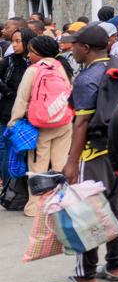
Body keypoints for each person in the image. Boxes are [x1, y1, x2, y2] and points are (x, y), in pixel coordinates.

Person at [46, 25, 118, 282]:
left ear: (86, 48)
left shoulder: (87, 79)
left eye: (76, 45)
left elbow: (81, 123)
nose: (73, 49)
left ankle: (84, 277)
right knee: (117, 210)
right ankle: (115, 266)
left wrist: (71, 162)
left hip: (93, 154)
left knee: (85, 214)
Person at [8, 34, 74, 215]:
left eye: (31, 52)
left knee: (38, 167)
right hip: (64, 122)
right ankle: (60, 204)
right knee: (59, 165)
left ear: (39, 52)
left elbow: (22, 98)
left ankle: (34, 207)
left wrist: (14, 121)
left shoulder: (34, 70)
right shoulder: (62, 66)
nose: (29, 55)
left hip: (40, 125)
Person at [0, 26, 34, 126]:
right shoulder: (9, 60)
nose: (13, 45)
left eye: (18, 41)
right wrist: (7, 92)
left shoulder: (37, 62)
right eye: (12, 41)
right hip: (7, 109)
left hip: (30, 112)